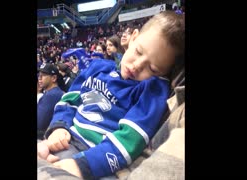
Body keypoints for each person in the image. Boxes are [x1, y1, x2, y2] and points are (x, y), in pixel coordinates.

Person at [38, 11, 185, 179]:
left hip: (97, 157)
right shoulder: (98, 66)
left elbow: (129, 140)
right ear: (133, 37)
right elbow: (69, 100)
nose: (137, 66)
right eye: (138, 52)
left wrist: (84, 165)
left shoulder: (152, 89)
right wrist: (58, 127)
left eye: (152, 69)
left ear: (164, 74)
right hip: (65, 138)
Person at [37, 63, 66, 139]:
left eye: (43, 75)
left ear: (53, 78)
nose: (39, 78)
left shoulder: (51, 95)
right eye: (39, 75)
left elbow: (39, 124)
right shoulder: (55, 92)